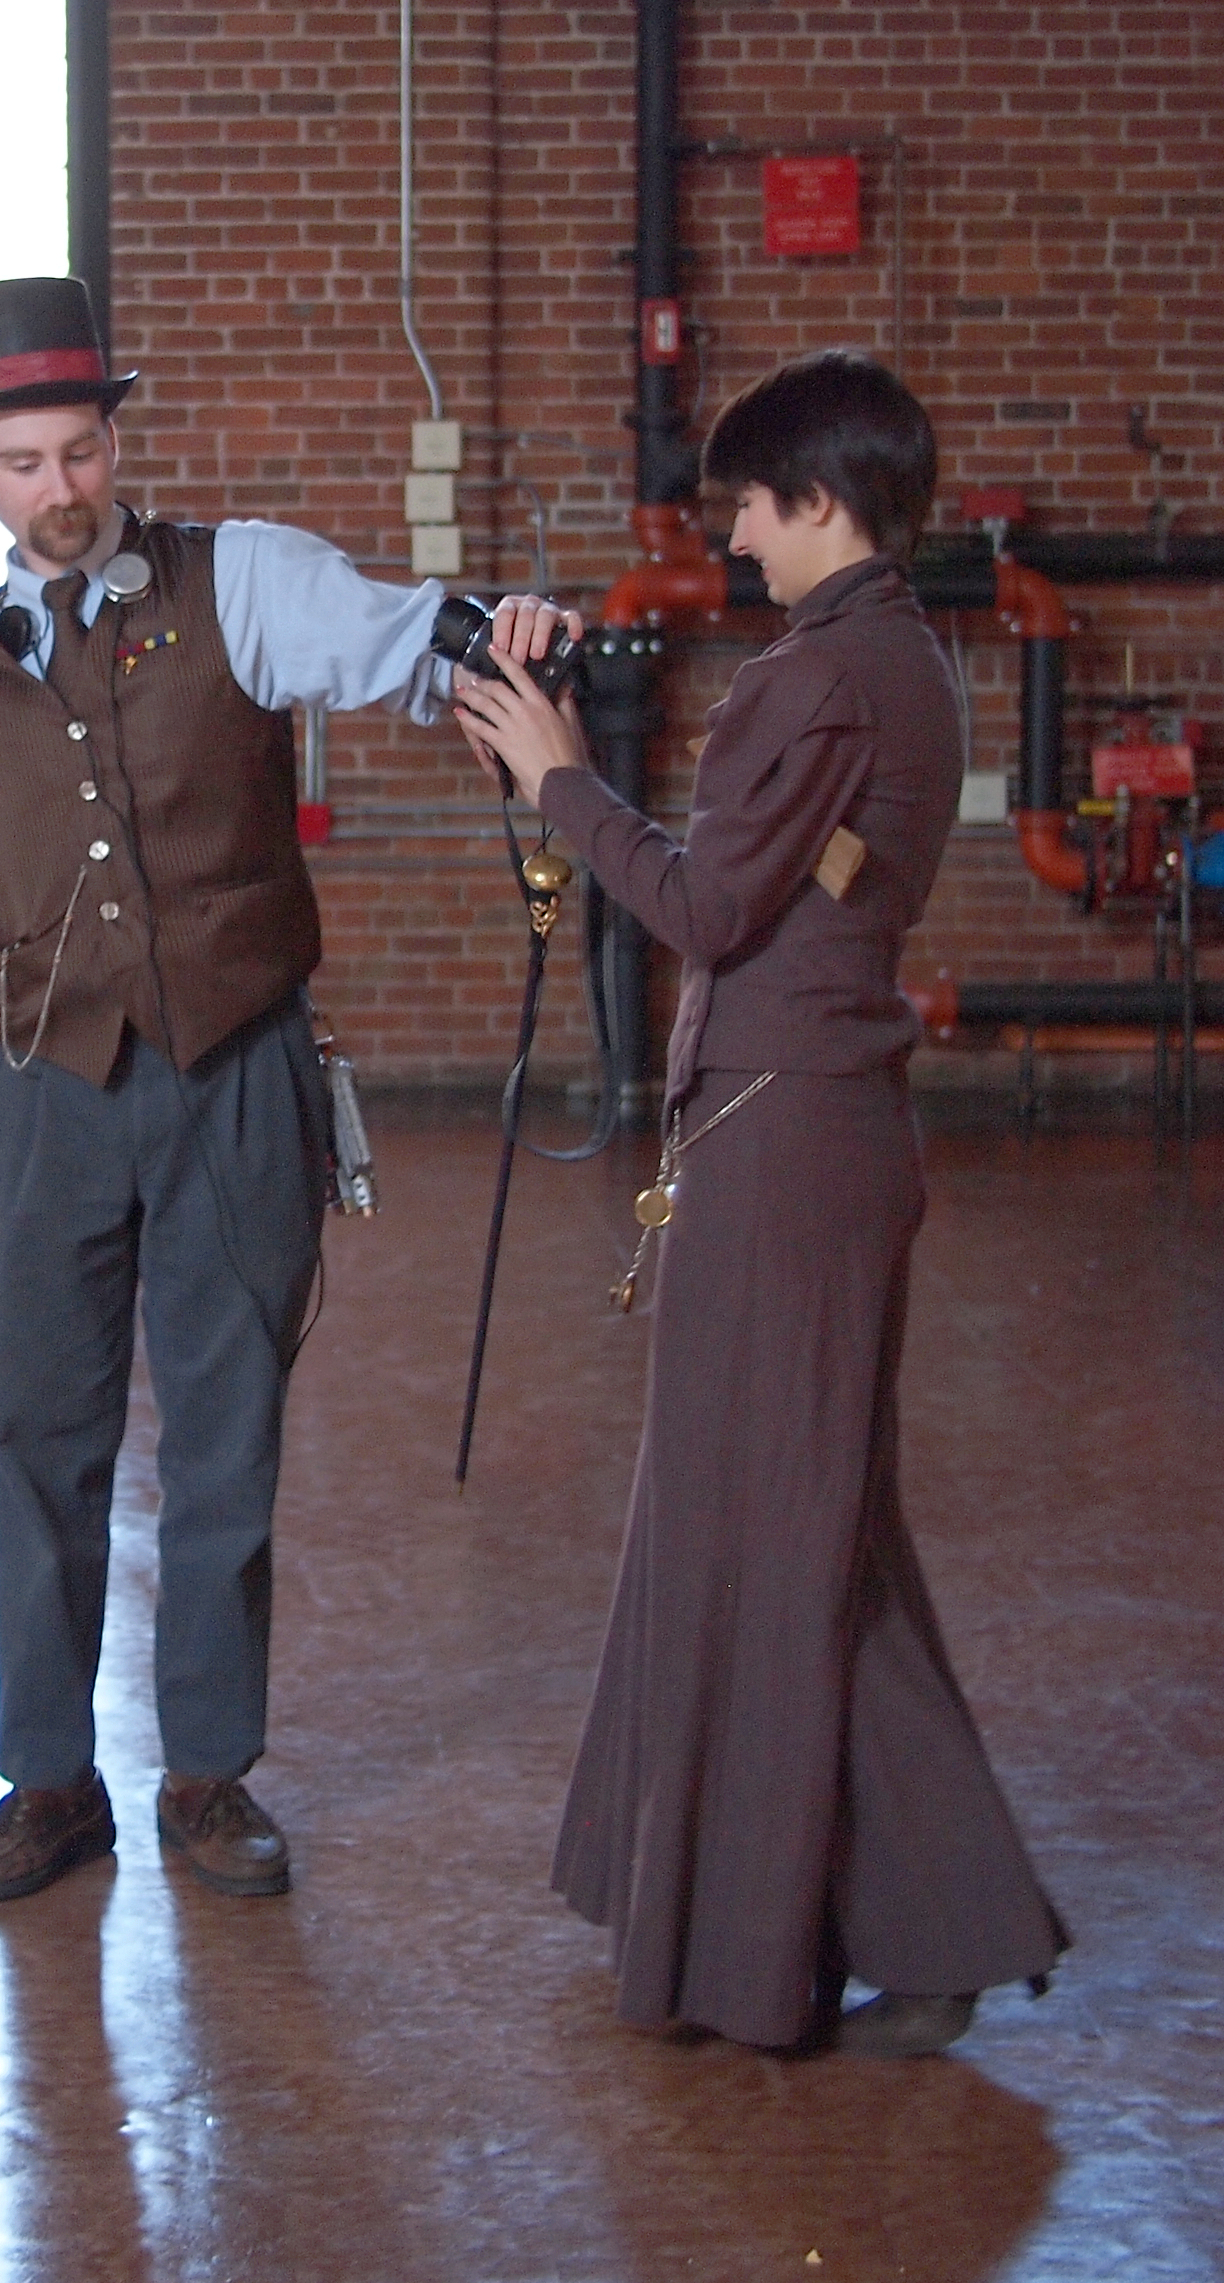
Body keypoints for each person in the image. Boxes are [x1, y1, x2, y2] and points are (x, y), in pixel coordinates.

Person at [0, 275, 573, 1903]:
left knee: (226, 1434)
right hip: (44, 1086)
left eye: (82, 451)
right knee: (41, 1437)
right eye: (25, 463)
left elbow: (405, 640)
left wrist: (499, 638)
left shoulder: (247, 580)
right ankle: (48, 1781)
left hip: (236, 1069)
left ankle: (210, 1776)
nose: (62, 489)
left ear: (113, 439)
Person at [454, 351, 1068, 2057]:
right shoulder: (905, 658)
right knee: (805, 1534)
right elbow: (770, 895)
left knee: (773, 1540)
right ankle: (926, 1926)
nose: (730, 536)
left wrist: (561, 780)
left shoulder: (817, 676)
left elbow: (710, 912)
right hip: (809, 1128)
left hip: (785, 1145)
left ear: (820, 502)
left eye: (747, 504)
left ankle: (770, 1951)